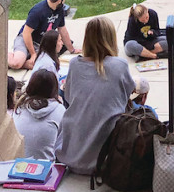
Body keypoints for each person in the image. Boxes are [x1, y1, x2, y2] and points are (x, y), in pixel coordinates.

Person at [56, 16, 135, 175]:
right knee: (143, 110)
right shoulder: (119, 65)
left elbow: (69, 97)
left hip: (69, 155)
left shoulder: (75, 65)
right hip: (104, 160)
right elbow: (126, 95)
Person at [8, 0, 81, 70]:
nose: (64, 1)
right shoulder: (37, 11)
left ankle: (24, 63)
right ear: (59, 0)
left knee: (42, 66)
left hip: (42, 43)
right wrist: (33, 54)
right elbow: (26, 33)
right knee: (16, 63)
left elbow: (62, 30)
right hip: (26, 40)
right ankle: (7, 58)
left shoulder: (60, 10)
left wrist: (72, 50)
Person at [13, 69, 65, 161]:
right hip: (46, 166)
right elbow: (64, 145)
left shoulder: (20, 106)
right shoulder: (59, 110)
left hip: (18, 163)